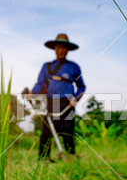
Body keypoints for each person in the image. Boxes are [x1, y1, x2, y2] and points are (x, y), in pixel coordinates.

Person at [28, 33, 86, 161]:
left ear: (67, 50)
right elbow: (40, 83)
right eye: (59, 47)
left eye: (64, 48)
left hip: (67, 102)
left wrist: (75, 99)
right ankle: (44, 158)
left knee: (67, 129)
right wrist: (32, 94)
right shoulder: (47, 66)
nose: (61, 50)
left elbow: (81, 86)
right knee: (47, 130)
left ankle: (70, 156)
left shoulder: (73, 67)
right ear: (55, 49)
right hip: (50, 102)